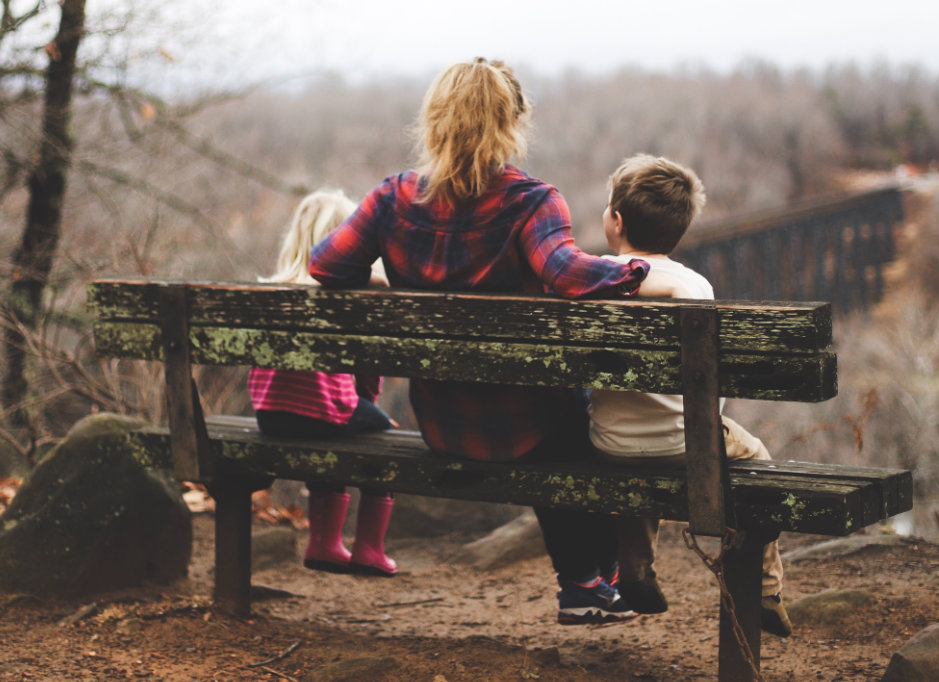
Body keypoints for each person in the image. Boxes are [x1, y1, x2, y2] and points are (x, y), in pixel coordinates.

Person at [309, 58, 651, 625]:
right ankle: (590, 579)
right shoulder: (531, 202)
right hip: (529, 429)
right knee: (582, 414)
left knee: (561, 412)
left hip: (444, 425)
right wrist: (638, 269)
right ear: (514, 121)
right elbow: (567, 274)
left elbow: (325, 265)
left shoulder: (391, 199)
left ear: (434, 121)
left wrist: (380, 280)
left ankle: (592, 581)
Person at [588, 153, 793, 636]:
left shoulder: (591, 278)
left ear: (615, 222)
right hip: (687, 444)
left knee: (636, 445)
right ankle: (765, 588)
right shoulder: (694, 286)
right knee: (756, 456)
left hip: (609, 444)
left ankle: (635, 572)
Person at [248, 189, 399, 578]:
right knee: (384, 436)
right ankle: (368, 549)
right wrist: (371, 408)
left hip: (269, 416)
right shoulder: (344, 295)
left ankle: (324, 543)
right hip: (321, 412)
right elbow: (366, 372)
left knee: (333, 424)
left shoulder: (271, 290)